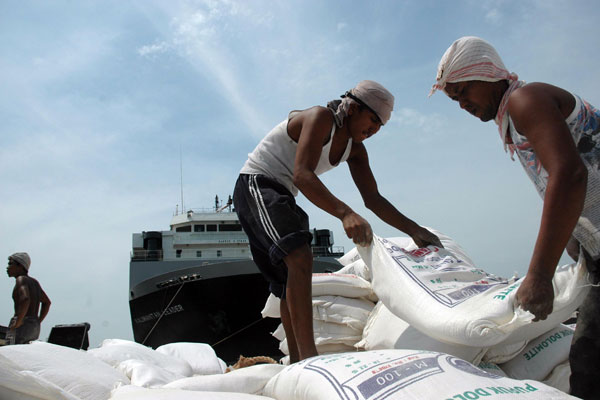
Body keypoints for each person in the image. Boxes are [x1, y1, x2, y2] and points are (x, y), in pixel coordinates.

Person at [430, 36, 600, 398]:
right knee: (588, 366)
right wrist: (574, 234)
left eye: (463, 92)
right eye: (454, 99)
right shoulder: (514, 118)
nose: (462, 105)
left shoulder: (526, 100)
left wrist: (540, 275)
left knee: (589, 369)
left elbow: (569, 175)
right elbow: (565, 176)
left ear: (487, 73)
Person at [233, 80, 442, 363]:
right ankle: (309, 356)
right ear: (354, 108)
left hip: (283, 193)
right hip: (257, 184)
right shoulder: (321, 118)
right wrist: (345, 213)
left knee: (287, 281)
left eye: (380, 126)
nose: (374, 130)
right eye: (372, 120)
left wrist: (415, 230)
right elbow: (302, 175)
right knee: (298, 255)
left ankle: (297, 361)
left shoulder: (355, 151)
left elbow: (374, 199)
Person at [6, 252, 51, 344]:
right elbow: (47, 302)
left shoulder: (21, 279)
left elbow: (25, 299)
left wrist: (18, 321)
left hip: (22, 324)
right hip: (34, 326)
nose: (7, 267)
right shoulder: (35, 283)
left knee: (11, 354)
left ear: (21, 266)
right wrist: (38, 321)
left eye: (10, 264)